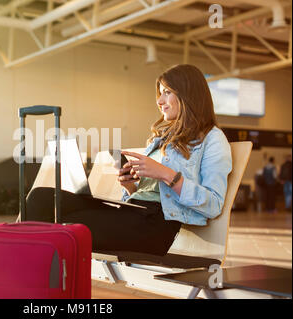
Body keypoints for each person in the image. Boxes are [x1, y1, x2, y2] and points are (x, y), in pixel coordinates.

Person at [26, 64, 232, 256]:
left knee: (65, 226)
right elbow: (148, 193)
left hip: (156, 226)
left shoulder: (213, 139)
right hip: (134, 212)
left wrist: (164, 173)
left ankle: (30, 281)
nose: (160, 101)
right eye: (160, 93)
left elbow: (213, 205)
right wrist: (131, 187)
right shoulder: (164, 138)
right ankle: (30, 276)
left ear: (189, 94)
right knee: (40, 198)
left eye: (167, 92)